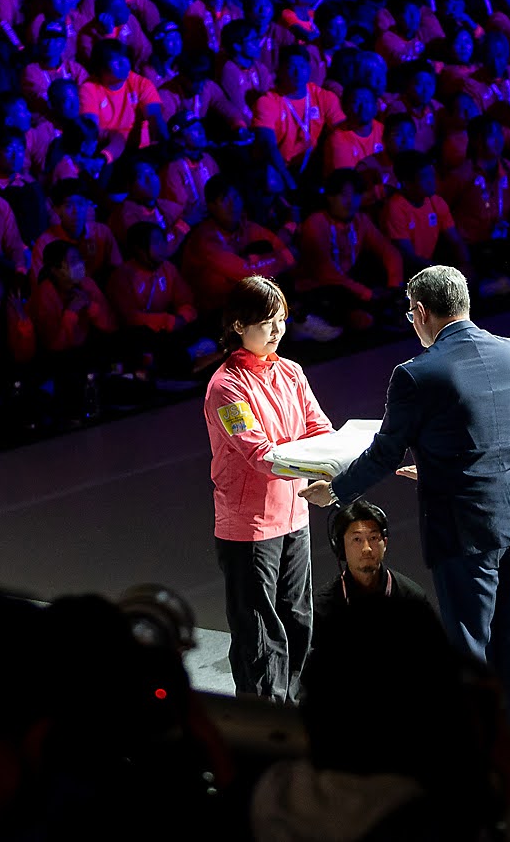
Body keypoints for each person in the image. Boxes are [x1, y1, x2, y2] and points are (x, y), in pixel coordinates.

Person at [308, 264, 510, 739]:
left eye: (410, 314)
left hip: (469, 530)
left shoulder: (415, 374)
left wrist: (336, 490)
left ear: (421, 312)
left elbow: (386, 452)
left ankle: (475, 762)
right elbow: (497, 429)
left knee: (469, 655)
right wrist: (441, 465)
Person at [204, 275, 333, 702]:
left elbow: (319, 427)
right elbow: (259, 453)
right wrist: (316, 463)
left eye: (281, 320)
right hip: (251, 527)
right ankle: (262, 721)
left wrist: (336, 461)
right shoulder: (226, 386)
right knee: (260, 634)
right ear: (239, 325)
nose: (277, 330)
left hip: (295, 515)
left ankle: (294, 713)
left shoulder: (291, 372)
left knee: (298, 621)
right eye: (266, 322)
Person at [314, 499, 430, 627]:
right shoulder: (321, 607)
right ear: (341, 546)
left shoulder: (413, 599)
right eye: (357, 539)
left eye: (373, 538)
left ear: (385, 543)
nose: (367, 548)